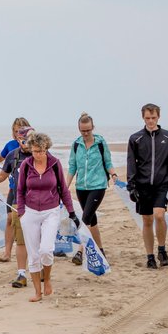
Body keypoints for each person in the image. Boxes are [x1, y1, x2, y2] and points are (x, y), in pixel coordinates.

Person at [17, 132, 77, 302]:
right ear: (31, 149)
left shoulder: (55, 164)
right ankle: (38, 292)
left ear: (46, 149)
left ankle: (48, 279)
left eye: (41, 151)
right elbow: (20, 190)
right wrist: (21, 212)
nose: (38, 154)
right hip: (30, 212)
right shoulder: (26, 165)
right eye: (35, 151)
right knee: (33, 255)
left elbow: (64, 190)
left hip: (51, 211)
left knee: (46, 250)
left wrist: (71, 212)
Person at [0, 126, 33, 288]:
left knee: (38, 241)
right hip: (19, 203)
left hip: (40, 204)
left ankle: (42, 272)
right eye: (23, 140)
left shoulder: (41, 154)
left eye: (30, 140)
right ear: (18, 139)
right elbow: (2, 175)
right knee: (21, 241)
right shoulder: (13, 155)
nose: (27, 143)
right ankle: (21, 274)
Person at [66, 113, 117, 264]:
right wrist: (65, 186)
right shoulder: (76, 144)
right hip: (81, 187)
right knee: (92, 219)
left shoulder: (100, 143)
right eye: (83, 131)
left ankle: (80, 252)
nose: (86, 133)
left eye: (88, 130)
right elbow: (72, 167)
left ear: (93, 127)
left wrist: (113, 174)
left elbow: (108, 162)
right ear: (79, 129)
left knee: (85, 218)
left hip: (98, 186)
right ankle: (100, 250)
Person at [127, 103, 168, 269]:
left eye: (153, 117)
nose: (150, 121)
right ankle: (150, 256)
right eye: (147, 118)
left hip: (162, 184)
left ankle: (162, 250)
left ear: (158, 117)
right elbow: (131, 163)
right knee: (147, 220)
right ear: (143, 117)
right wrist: (131, 186)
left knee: (159, 215)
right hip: (142, 186)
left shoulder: (167, 137)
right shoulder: (135, 138)